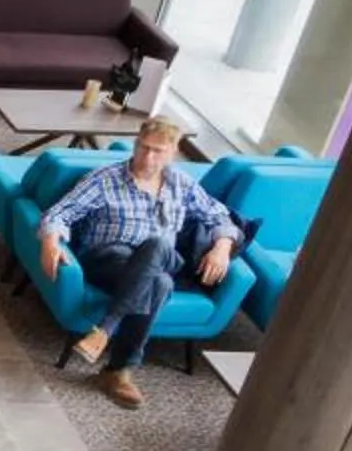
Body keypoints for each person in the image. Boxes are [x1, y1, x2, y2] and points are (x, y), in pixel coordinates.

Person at [35, 116, 240, 412]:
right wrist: (51, 242)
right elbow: (60, 213)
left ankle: (106, 333)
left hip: (161, 260)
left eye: (157, 151)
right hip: (108, 258)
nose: (148, 156)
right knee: (160, 279)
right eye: (143, 148)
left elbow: (220, 217)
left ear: (173, 152)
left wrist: (222, 248)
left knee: (158, 256)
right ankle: (118, 368)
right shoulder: (105, 179)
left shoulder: (181, 183)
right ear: (135, 144)